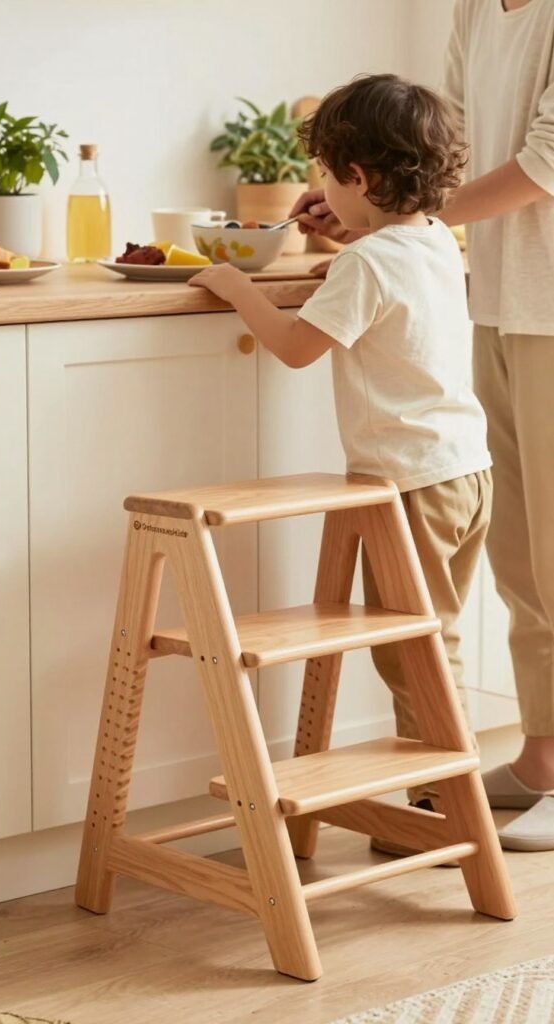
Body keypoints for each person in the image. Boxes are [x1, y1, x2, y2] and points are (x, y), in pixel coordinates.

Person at [190, 73, 492, 841]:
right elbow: (382, 295)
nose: (321, 188)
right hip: (463, 470)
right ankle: (432, 797)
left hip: (410, 486)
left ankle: (441, 805)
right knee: (435, 638)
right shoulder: (428, 242)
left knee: (409, 655)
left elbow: (293, 347)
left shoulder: (366, 264)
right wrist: (346, 255)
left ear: (358, 177)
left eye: (327, 173)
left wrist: (234, 286)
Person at [292, 0, 554, 853]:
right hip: (500, 296)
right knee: (520, 559)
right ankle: (540, 761)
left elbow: (545, 159)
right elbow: (453, 135)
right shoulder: (478, 4)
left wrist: (395, 213)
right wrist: (369, 201)